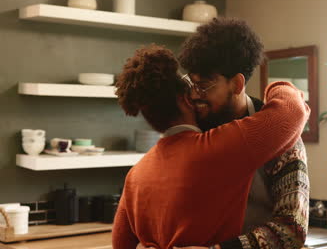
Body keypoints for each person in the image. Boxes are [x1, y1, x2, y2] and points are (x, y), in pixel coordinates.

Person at [112, 44, 309, 249]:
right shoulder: (216, 148)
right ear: (185, 99)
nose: (197, 95)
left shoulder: (134, 176)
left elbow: (120, 243)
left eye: (203, 86)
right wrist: (281, 87)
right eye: (192, 87)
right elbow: (290, 112)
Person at [175, 18, 310, 249]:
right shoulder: (192, 128)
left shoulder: (281, 137)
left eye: (204, 86)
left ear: (237, 84)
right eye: (191, 83)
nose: (195, 95)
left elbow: (292, 228)